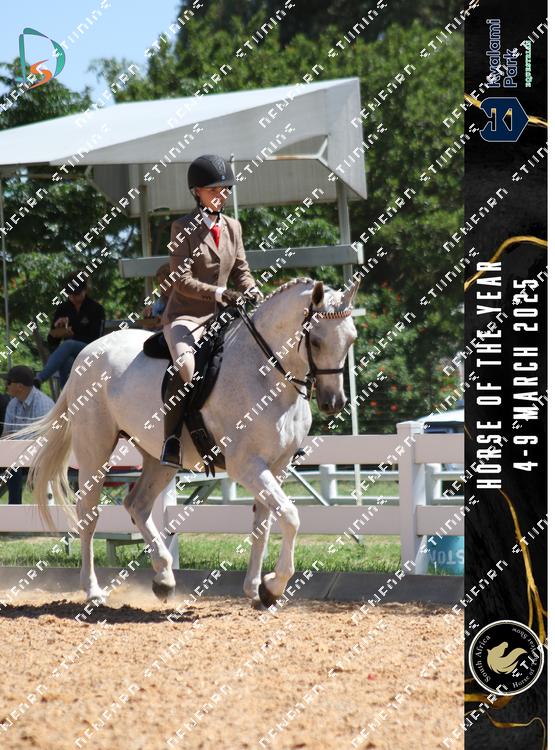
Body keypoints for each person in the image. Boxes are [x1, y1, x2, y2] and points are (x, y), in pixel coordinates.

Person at [159, 154, 263, 468]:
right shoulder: (182, 228)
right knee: (186, 368)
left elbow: (241, 271)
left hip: (223, 317)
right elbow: (182, 280)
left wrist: (253, 290)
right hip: (186, 316)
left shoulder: (233, 226)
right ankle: (172, 439)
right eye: (214, 190)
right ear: (197, 192)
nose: (222, 195)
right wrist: (220, 292)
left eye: (226, 189)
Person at [34, 272, 105, 390]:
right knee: (67, 360)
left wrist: (73, 334)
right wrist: (58, 328)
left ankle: (41, 377)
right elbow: (52, 342)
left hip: (90, 350)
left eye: (76, 294)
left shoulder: (96, 309)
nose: (73, 298)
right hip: (70, 353)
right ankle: (67, 394)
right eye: (70, 294)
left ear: (85, 290)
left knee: (69, 344)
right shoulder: (63, 309)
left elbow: (96, 338)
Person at [0, 365, 54, 504]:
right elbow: (6, 435)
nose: (6, 386)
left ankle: (15, 507)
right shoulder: (13, 404)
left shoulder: (43, 404)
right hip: (19, 458)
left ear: (19, 386)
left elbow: (42, 441)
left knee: (12, 463)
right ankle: (15, 508)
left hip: (41, 458)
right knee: (11, 461)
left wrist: (14, 445)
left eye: (8, 382)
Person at [139, 263, 173, 331]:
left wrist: (163, 322)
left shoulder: (183, 301)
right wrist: (148, 317)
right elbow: (154, 315)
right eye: (160, 284)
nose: (162, 287)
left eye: (165, 284)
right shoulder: (161, 301)